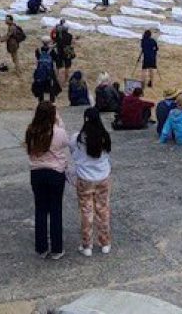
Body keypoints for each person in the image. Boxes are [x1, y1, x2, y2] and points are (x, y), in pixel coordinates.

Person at [25, 102, 70, 260]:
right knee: (56, 210)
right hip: (55, 172)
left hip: (37, 173)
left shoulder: (31, 131)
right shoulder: (57, 132)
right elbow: (66, 141)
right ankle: (57, 248)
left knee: (40, 210)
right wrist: (59, 120)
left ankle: (41, 247)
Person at [71, 108, 112, 257]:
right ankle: (105, 243)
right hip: (103, 178)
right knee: (103, 210)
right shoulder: (105, 137)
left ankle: (87, 245)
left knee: (86, 212)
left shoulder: (78, 138)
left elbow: (73, 154)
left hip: (85, 179)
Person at [33, 37, 60, 102]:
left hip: (40, 71)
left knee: (40, 86)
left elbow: (37, 58)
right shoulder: (52, 50)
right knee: (51, 87)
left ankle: (41, 101)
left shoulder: (38, 50)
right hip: (49, 71)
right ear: (49, 42)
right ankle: (52, 101)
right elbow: (56, 60)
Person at [52, 20, 75, 85]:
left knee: (58, 66)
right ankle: (65, 81)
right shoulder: (70, 35)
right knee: (67, 67)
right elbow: (71, 43)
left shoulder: (58, 35)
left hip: (60, 51)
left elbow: (55, 41)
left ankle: (55, 80)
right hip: (67, 51)